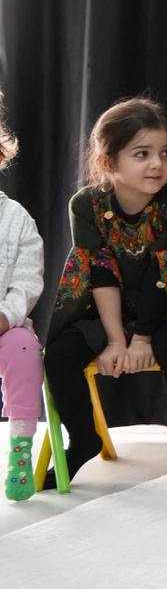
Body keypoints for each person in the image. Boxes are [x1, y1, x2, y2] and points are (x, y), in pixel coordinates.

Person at [43, 96, 167, 489]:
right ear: (108, 161)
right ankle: (83, 439)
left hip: (166, 305)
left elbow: (159, 273)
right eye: (142, 154)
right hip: (105, 309)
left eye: (165, 153)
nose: (157, 164)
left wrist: (143, 337)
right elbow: (100, 271)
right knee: (61, 354)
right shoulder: (86, 205)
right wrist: (117, 339)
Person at [0, 94, 46, 501]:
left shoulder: (17, 219)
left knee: (24, 347)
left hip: (4, 326)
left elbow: (28, 280)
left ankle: (19, 450)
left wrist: (6, 316)